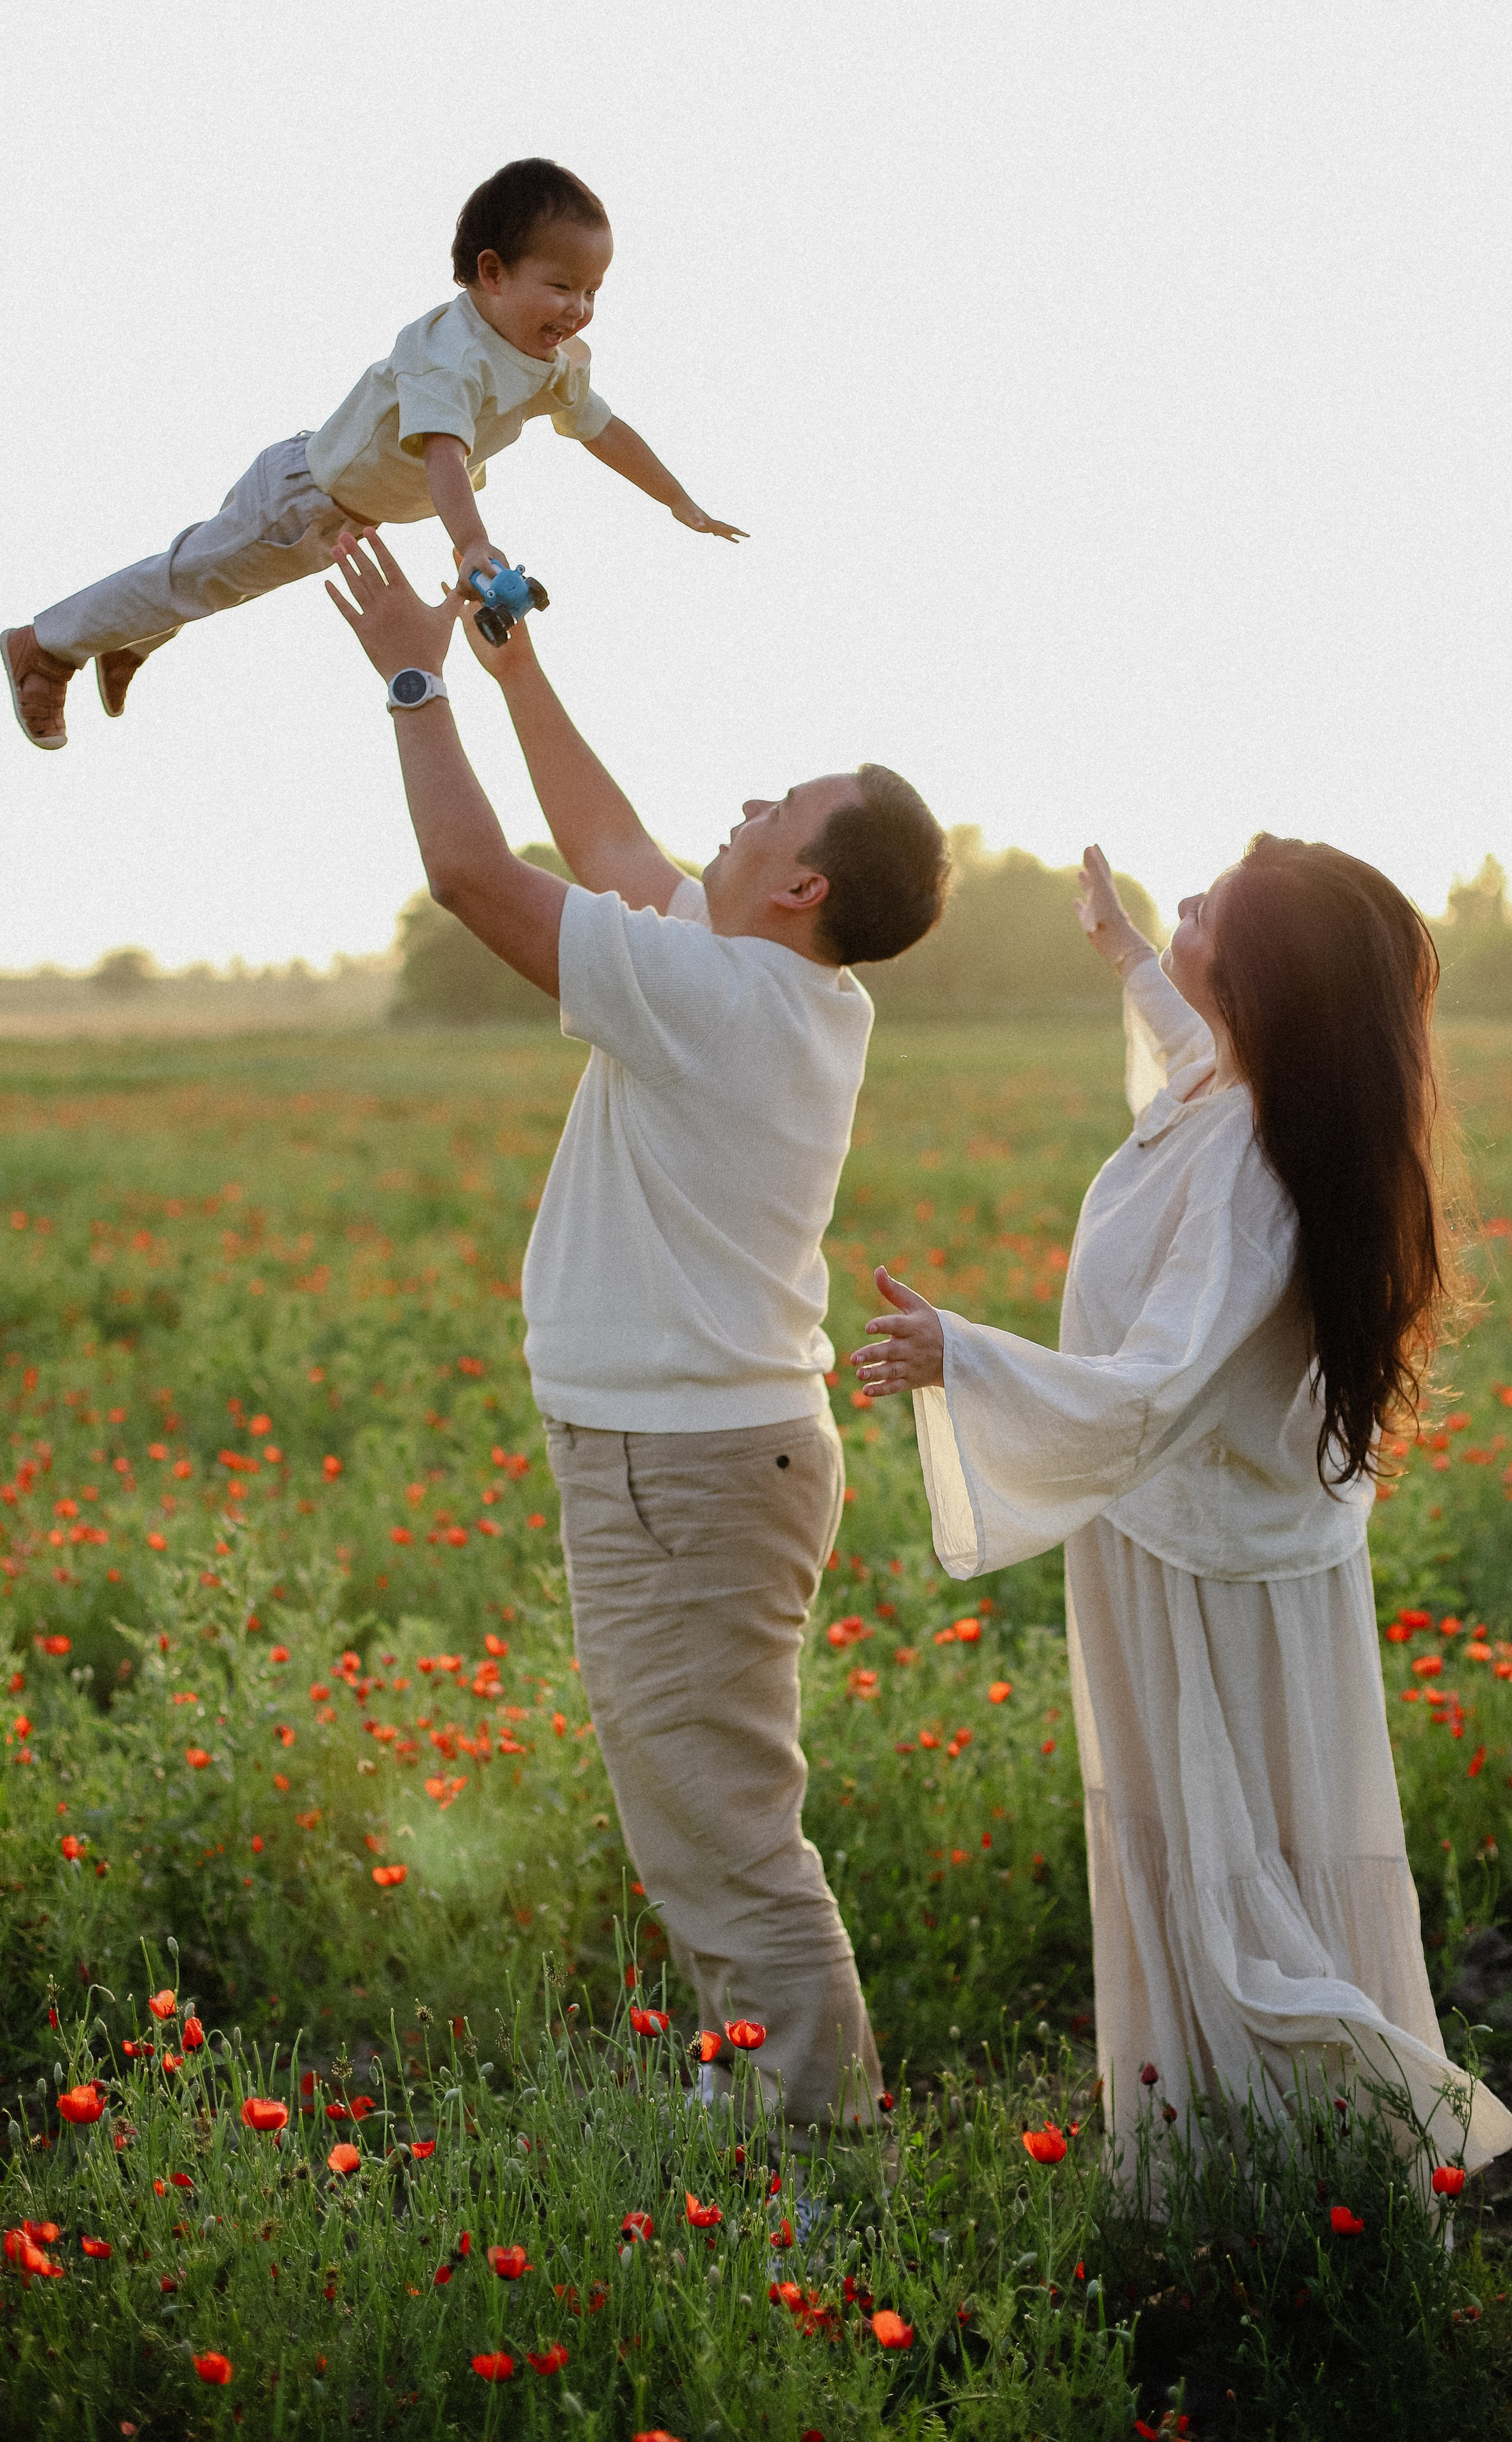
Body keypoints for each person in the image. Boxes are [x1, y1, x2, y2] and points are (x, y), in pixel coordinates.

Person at [325, 528, 950, 2144]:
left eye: (775, 810)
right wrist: (512, 658)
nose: (742, 808)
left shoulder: (723, 1001)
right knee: (708, 1829)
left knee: (727, 1842)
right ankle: (767, 2111)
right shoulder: (766, 984)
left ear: (802, 884)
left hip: (682, 1472)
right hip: (692, 1459)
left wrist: (416, 681)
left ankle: (825, 2180)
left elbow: (480, 876)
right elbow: (601, 836)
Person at [851, 839, 1512, 2178]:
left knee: (1222, 1868)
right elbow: (1190, 1058)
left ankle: (1313, 2154)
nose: (1188, 906)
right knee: (1241, 1847)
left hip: (1197, 1571)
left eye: (1211, 906)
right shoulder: (1265, 1095)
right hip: (1226, 1551)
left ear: (1268, 976)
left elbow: (1151, 1383)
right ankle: (1267, 2158)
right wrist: (1127, 954)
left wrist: (963, 1356)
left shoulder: (1248, 1166)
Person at [4, 157, 743, 752]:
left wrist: (677, 499)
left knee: (209, 575)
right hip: (307, 495)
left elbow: (602, 428)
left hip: (340, 512)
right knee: (196, 577)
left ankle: (124, 637)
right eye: (561, 287)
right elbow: (444, 456)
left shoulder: (554, 360)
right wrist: (472, 541)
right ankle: (46, 646)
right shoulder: (449, 357)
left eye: (592, 291)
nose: (578, 309)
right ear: (492, 273)